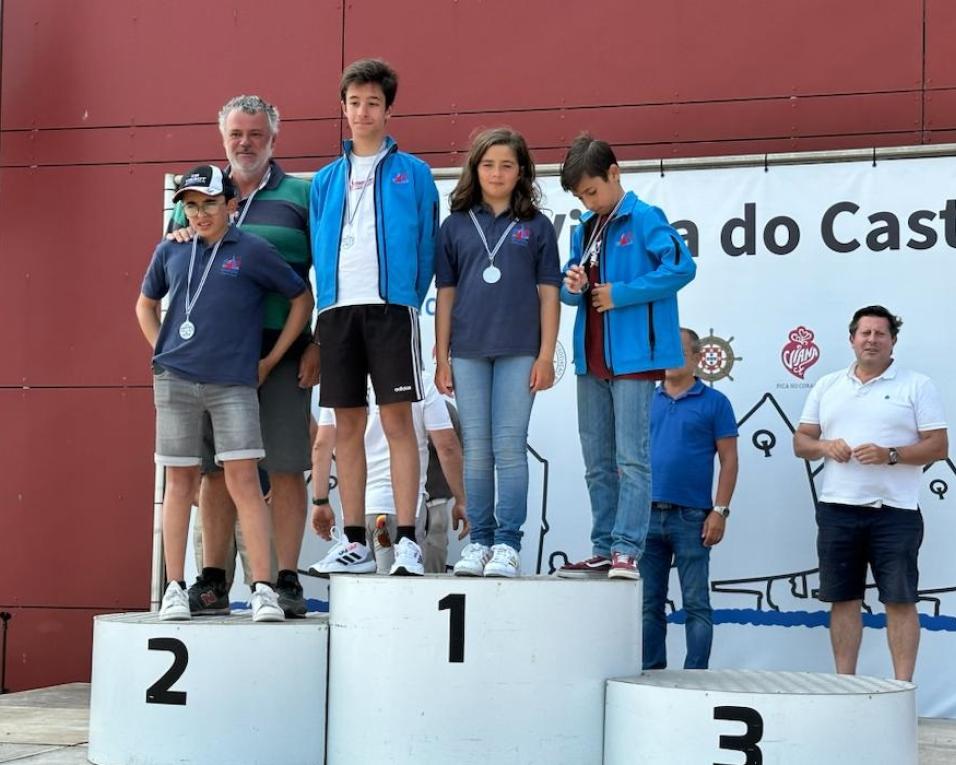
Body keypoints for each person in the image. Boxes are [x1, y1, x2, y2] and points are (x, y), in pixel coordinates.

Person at [135, 165, 314, 621]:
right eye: (191, 206)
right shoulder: (171, 250)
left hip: (235, 383)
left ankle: (263, 589)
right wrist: (164, 349)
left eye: (210, 203)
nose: (200, 214)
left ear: (231, 204)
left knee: (245, 482)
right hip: (175, 380)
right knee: (180, 483)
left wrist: (272, 360)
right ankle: (174, 586)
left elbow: (301, 298)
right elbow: (145, 304)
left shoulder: (253, 250)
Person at [309, 59, 439, 576]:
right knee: (347, 424)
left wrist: (405, 294)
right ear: (342, 108)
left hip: (392, 309)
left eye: (373, 103)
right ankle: (355, 540)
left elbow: (428, 245)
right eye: (354, 102)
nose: (363, 112)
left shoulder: (415, 173)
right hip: (336, 312)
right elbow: (319, 244)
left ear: (388, 110)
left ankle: (406, 537)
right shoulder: (324, 179)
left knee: (396, 419)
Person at [556, 133, 696, 580]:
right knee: (596, 461)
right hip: (590, 358)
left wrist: (623, 294)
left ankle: (627, 549)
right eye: (581, 196)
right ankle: (602, 545)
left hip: (635, 358)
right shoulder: (584, 228)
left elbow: (681, 268)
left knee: (631, 458)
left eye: (592, 191)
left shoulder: (645, 217)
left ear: (614, 174)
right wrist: (573, 286)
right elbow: (569, 293)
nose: (588, 200)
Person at [794, 305, 947, 681]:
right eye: (865, 333)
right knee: (843, 600)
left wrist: (891, 455)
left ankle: (901, 688)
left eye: (880, 333)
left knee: (900, 600)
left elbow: (939, 446)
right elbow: (801, 441)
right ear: (852, 340)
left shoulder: (917, 385)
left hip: (895, 512)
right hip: (837, 510)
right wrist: (825, 447)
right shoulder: (827, 384)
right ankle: (846, 685)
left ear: (893, 341)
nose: (872, 340)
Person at [434, 127, 561, 578]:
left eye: (507, 164)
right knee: (476, 449)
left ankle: (507, 543)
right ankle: (479, 542)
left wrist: (546, 355)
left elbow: (549, 294)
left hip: (519, 350)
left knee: (508, 447)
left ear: (521, 171)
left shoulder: (537, 226)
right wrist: (440, 354)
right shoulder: (454, 225)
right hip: (467, 351)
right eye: (488, 164)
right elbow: (445, 294)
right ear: (475, 169)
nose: (497, 172)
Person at [640, 328, 738, 669]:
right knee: (648, 604)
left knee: (696, 603)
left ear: (697, 357)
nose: (668, 355)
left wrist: (720, 511)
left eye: (677, 349)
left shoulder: (715, 403)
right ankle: (651, 676)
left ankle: (696, 678)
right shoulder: (644, 399)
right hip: (645, 517)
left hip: (693, 518)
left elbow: (729, 460)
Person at [309, 380, 469, 574]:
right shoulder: (422, 382)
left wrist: (320, 501)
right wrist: (461, 499)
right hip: (405, 513)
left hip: (358, 516)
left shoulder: (342, 379)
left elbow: (321, 447)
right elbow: (448, 447)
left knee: (366, 593)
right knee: (401, 592)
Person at [422, 400, 468, 572]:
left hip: (432, 504)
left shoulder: (441, 408)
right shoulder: (370, 402)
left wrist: (461, 498)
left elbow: (453, 452)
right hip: (383, 504)